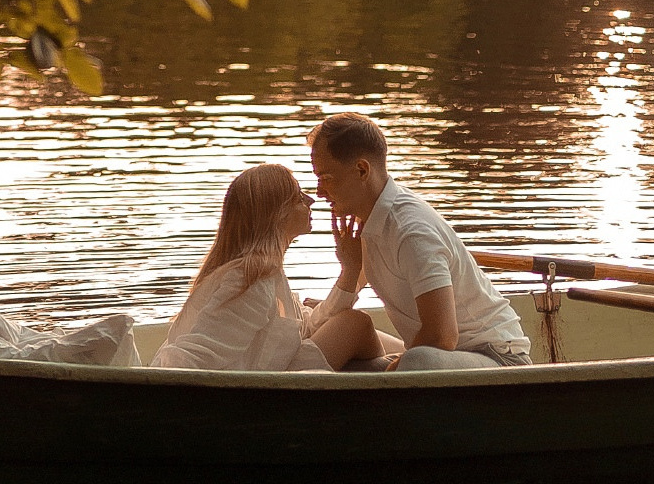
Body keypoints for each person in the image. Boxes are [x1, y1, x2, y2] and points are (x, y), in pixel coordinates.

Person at [309, 112, 533, 367]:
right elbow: (350, 288)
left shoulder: (411, 231)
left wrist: (392, 373)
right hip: (445, 359)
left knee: (417, 359)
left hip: (497, 358)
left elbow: (442, 336)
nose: (319, 192)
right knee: (345, 345)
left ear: (362, 170)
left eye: (326, 178)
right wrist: (351, 268)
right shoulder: (368, 222)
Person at [153, 162, 385, 372]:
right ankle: (393, 379)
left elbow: (308, 326)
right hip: (271, 386)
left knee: (365, 330)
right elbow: (194, 356)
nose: (310, 201)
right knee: (356, 324)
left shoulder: (266, 273)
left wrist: (350, 270)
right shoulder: (251, 279)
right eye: (298, 197)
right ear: (277, 214)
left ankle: (394, 369)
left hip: (279, 371)